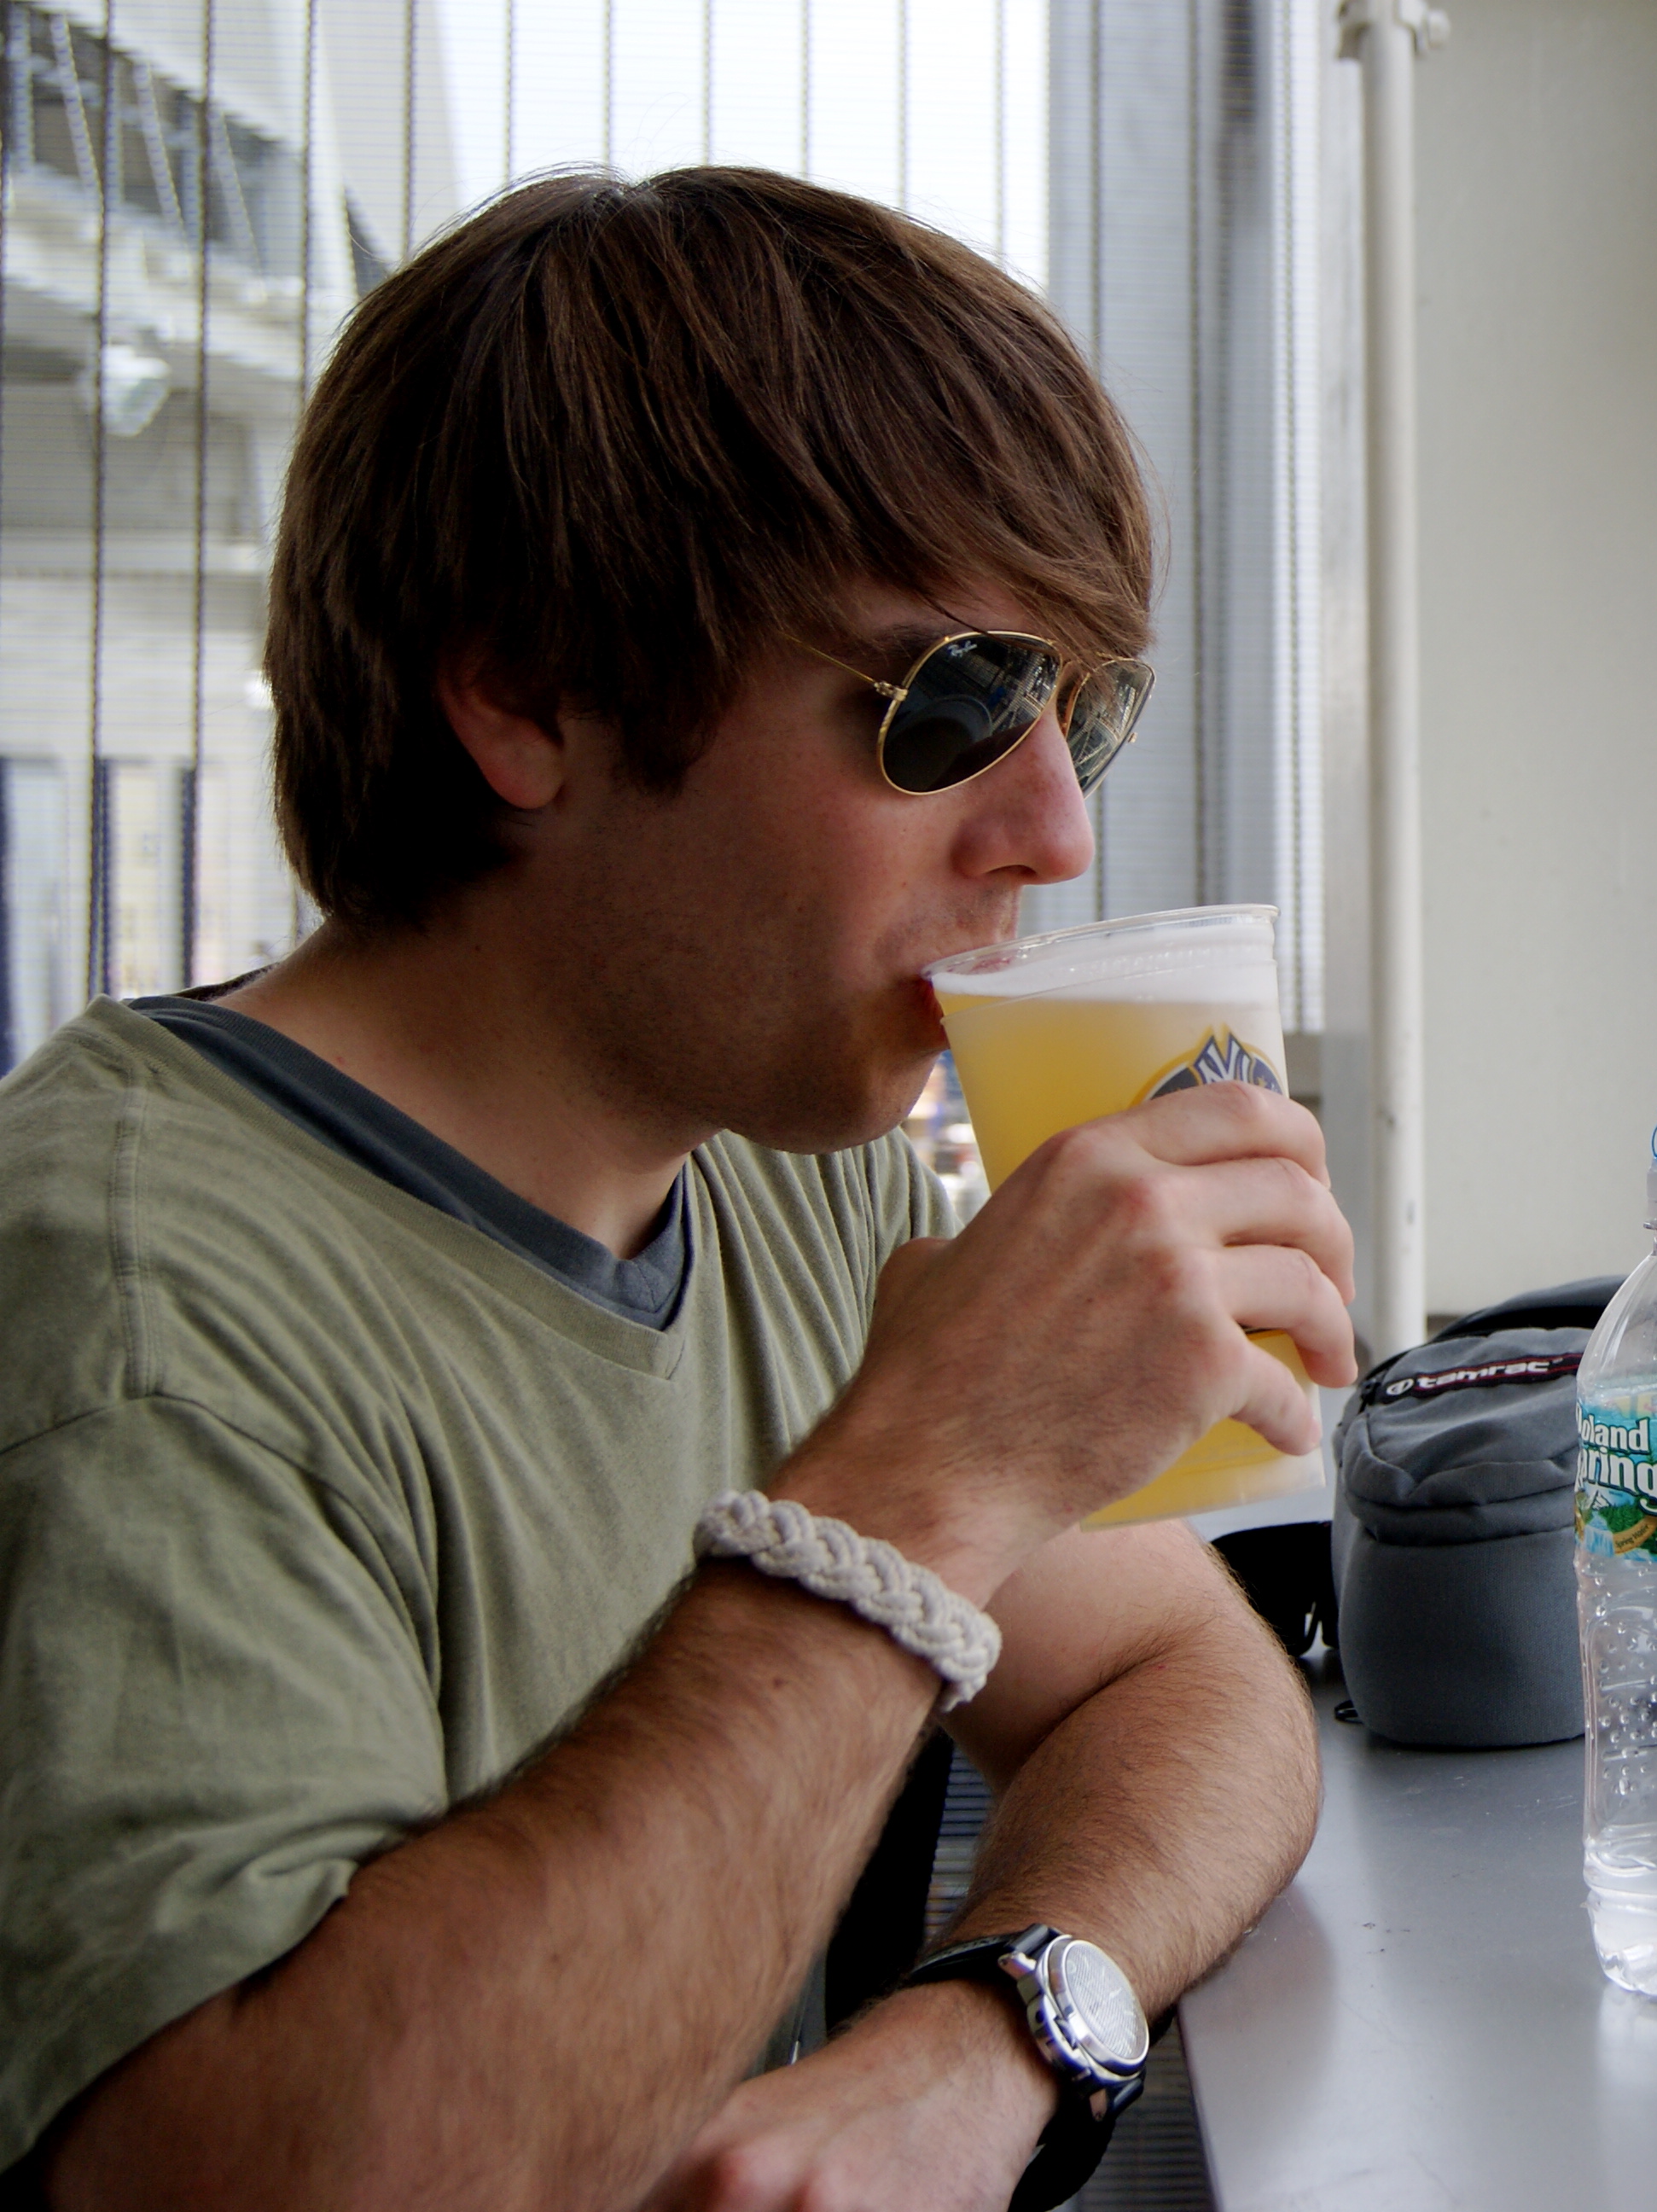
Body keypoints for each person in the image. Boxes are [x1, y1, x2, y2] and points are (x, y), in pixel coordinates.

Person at [0, 168, 1355, 2211]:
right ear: (525, 696)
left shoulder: (785, 1171)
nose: (1058, 830)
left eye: (1082, 707)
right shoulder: (134, 1305)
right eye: (954, 707)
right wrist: (926, 1480)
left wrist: (985, 2038)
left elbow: (1193, 1687)